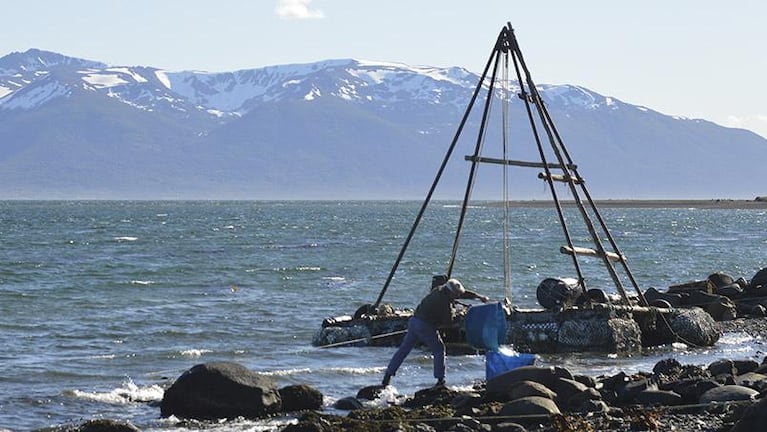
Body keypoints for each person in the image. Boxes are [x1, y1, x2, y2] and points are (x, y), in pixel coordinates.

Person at [382, 278, 490, 387]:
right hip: (425, 326)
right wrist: (462, 319)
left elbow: (462, 294)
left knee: (404, 350)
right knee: (439, 349)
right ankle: (440, 380)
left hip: (414, 321)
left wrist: (479, 297)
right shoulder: (443, 303)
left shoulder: (439, 289)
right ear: (450, 292)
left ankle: (387, 376)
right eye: (455, 295)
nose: (457, 297)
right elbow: (449, 323)